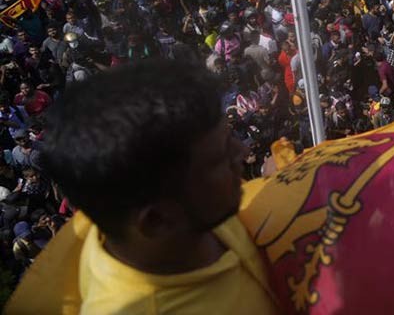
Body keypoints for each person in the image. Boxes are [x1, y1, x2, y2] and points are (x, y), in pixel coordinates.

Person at [16, 59, 278, 314]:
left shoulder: (168, 211)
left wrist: (276, 183)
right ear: (155, 221)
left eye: (230, 138)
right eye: (220, 156)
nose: (243, 152)